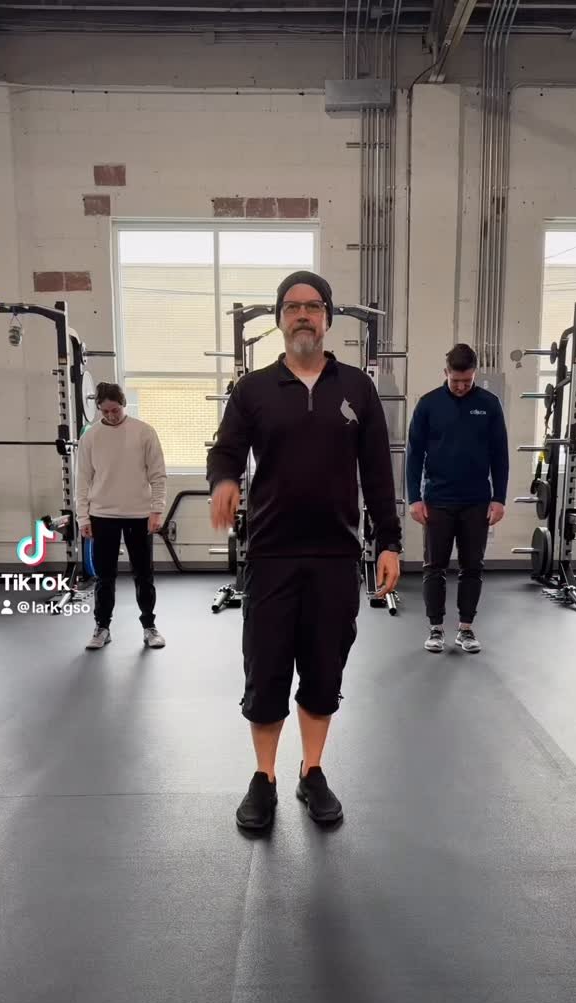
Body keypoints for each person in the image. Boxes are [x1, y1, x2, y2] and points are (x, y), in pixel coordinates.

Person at [207, 270, 402, 831]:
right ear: (279, 320)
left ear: (327, 318)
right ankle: (264, 776)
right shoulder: (253, 390)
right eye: (292, 307)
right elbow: (226, 451)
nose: (302, 315)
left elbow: (378, 473)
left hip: (335, 557)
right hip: (270, 555)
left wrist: (388, 542)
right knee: (266, 672)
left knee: (322, 673)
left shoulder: (357, 388)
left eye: (313, 306)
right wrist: (224, 481)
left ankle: (311, 770)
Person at [406, 343, 509, 654]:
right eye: (456, 380)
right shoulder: (428, 404)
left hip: (476, 500)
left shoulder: (489, 404)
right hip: (437, 499)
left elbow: (500, 455)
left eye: (467, 380)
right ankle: (435, 628)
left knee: (472, 566)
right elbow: (414, 455)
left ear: (475, 373)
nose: (462, 386)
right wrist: (414, 498)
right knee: (433, 567)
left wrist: (499, 498)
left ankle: (465, 628)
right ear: (446, 373)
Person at [76, 382, 167, 650]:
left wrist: (157, 510)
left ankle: (149, 627)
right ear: (98, 409)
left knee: (143, 574)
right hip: (102, 515)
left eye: (115, 410)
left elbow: (158, 475)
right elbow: (82, 480)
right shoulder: (90, 437)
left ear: (123, 404)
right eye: (105, 411)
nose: (111, 416)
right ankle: (102, 627)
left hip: (139, 515)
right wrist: (83, 517)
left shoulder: (144, 432)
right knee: (105, 577)